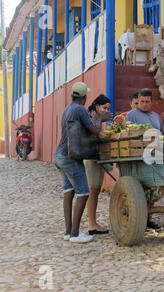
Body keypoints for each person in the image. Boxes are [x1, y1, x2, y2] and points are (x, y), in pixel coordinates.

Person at [53, 82, 106, 243]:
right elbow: (94, 130)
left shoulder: (67, 110)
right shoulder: (80, 109)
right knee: (83, 193)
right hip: (71, 158)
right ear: (84, 97)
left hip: (60, 155)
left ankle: (68, 232)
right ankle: (75, 234)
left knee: (68, 193)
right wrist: (101, 118)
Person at [125, 88, 164, 230]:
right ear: (138, 101)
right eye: (142, 101)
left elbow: (162, 134)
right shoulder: (132, 115)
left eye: (147, 102)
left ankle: (148, 218)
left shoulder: (155, 116)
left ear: (151, 102)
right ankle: (137, 219)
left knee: (156, 190)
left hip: (156, 157)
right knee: (141, 190)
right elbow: (126, 134)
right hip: (138, 158)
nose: (144, 104)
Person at [84, 94, 113, 235]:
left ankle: (93, 222)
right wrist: (102, 119)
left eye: (108, 108)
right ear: (96, 106)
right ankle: (91, 224)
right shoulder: (89, 116)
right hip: (90, 156)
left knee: (96, 190)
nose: (106, 110)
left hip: (98, 155)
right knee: (93, 190)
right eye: (104, 108)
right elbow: (92, 133)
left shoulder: (98, 117)